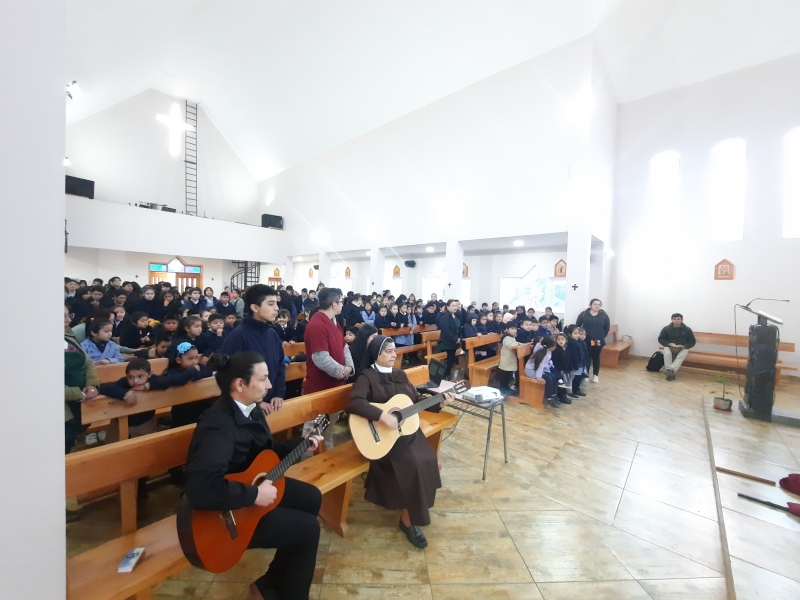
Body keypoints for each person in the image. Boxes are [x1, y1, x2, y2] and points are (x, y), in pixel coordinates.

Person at [184, 352, 324, 600]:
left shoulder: (251, 408)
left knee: (311, 498)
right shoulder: (217, 426)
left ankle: (271, 583)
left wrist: (301, 445)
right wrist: (255, 494)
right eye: (264, 379)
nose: (270, 385)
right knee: (308, 529)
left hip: (249, 489)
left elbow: (264, 451)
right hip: (226, 516)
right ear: (240, 384)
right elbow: (201, 489)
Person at [347, 336, 454, 548]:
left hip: (407, 433)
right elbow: (354, 402)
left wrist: (440, 401)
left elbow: (414, 401)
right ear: (377, 354)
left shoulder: (400, 374)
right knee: (413, 466)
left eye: (394, 350)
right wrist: (381, 415)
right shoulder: (366, 376)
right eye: (388, 351)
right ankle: (409, 522)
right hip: (384, 439)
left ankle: (412, 511)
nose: (394, 355)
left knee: (429, 459)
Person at [220, 285, 286, 415]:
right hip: (245, 408)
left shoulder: (272, 334)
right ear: (255, 307)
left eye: (276, 303)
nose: (277, 308)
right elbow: (228, 376)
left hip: (271, 402)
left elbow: (280, 365)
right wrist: (255, 403)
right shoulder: (238, 336)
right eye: (271, 304)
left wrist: (278, 394)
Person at [64, 303, 100, 454]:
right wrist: (79, 393)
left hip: (79, 401)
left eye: (68, 315)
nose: (68, 320)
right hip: (61, 407)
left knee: (69, 444)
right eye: (62, 317)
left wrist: (92, 385)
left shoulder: (67, 335)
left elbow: (88, 361)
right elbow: (45, 385)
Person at [303, 288, 353, 394]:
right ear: (334, 304)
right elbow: (321, 358)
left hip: (337, 382)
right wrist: (342, 372)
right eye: (341, 302)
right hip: (321, 384)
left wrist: (349, 366)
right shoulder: (317, 325)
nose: (342, 305)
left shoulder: (335, 322)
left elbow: (344, 347)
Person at [576, 298, 610, 383]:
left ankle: (595, 375)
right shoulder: (584, 314)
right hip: (586, 339)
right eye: (595, 304)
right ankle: (586, 373)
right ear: (590, 305)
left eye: (599, 304)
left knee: (596, 356)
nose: (597, 306)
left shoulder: (604, 315)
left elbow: (606, 328)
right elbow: (578, 325)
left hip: (598, 340)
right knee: (587, 356)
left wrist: (601, 336)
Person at [658, 313, 696, 380]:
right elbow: (661, 339)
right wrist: (668, 344)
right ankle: (670, 373)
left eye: (678, 319)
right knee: (667, 354)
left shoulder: (687, 330)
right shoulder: (666, 329)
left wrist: (684, 346)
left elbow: (692, 342)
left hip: (683, 347)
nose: (676, 321)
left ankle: (670, 370)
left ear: (682, 320)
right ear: (671, 320)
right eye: (674, 319)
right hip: (669, 346)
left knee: (681, 355)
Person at [525, 337, 559, 407]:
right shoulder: (543, 353)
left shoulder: (545, 350)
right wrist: (539, 377)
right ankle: (549, 398)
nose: (555, 347)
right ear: (551, 347)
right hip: (531, 370)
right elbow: (540, 365)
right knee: (549, 379)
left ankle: (554, 395)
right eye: (554, 345)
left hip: (538, 370)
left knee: (553, 376)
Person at [435, 299, 462, 380]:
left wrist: (460, 338)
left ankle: (447, 375)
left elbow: (460, 328)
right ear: (448, 307)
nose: (455, 307)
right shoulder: (445, 316)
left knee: (451, 360)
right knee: (449, 359)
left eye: (456, 306)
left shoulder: (457, 315)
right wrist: (455, 339)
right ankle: (444, 376)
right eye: (453, 306)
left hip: (455, 342)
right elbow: (445, 330)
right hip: (446, 342)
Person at [498, 321, 525, 395]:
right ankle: (502, 388)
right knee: (504, 375)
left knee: (509, 375)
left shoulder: (512, 337)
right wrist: (517, 346)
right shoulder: (506, 338)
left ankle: (506, 387)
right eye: (512, 328)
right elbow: (510, 345)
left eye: (515, 329)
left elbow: (515, 343)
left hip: (511, 360)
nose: (514, 330)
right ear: (507, 329)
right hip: (506, 360)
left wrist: (519, 344)